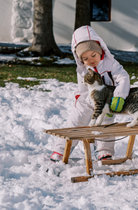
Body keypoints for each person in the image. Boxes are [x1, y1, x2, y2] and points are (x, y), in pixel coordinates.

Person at [50, 25, 130, 162]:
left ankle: (105, 152)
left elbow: (123, 77)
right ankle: (61, 150)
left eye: (93, 55)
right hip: (87, 101)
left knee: (106, 123)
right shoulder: (83, 70)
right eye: (85, 58)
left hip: (107, 101)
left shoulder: (111, 64)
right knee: (75, 121)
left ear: (100, 50)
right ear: (80, 60)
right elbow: (82, 88)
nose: (91, 60)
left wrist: (119, 96)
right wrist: (81, 100)